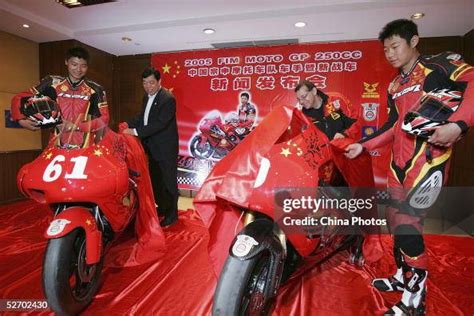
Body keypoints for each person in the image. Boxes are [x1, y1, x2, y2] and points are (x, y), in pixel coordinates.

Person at [344, 19, 474, 315]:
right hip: (396, 165)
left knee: (407, 225)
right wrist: (364, 146)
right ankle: (403, 277)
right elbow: (392, 127)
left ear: (414, 41)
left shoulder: (440, 65)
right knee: (395, 220)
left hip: (429, 161)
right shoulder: (394, 84)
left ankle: (416, 300)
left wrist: (459, 125)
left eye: (395, 46)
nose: (389, 53)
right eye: (386, 48)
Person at [122, 67, 179, 227]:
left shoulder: (168, 99)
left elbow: (159, 124)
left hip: (166, 149)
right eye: (145, 83)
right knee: (156, 182)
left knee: (168, 183)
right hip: (152, 148)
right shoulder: (147, 97)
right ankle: (162, 208)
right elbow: (143, 116)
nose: (148, 86)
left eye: (152, 83)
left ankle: (172, 214)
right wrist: (128, 123)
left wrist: (134, 131)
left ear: (159, 82)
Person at [11, 46, 109, 131]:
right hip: (56, 141)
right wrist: (20, 120)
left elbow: (104, 119)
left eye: (83, 66)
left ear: (87, 66)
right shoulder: (51, 82)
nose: (78, 70)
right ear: (66, 62)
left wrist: (76, 127)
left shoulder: (96, 88)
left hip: (86, 142)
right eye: (74, 64)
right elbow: (19, 98)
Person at [294, 80, 360, 140]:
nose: (301, 102)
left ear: (314, 91)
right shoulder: (304, 117)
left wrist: (345, 134)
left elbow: (356, 122)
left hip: (348, 147)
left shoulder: (336, 100)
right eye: (299, 99)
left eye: (304, 96)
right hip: (326, 151)